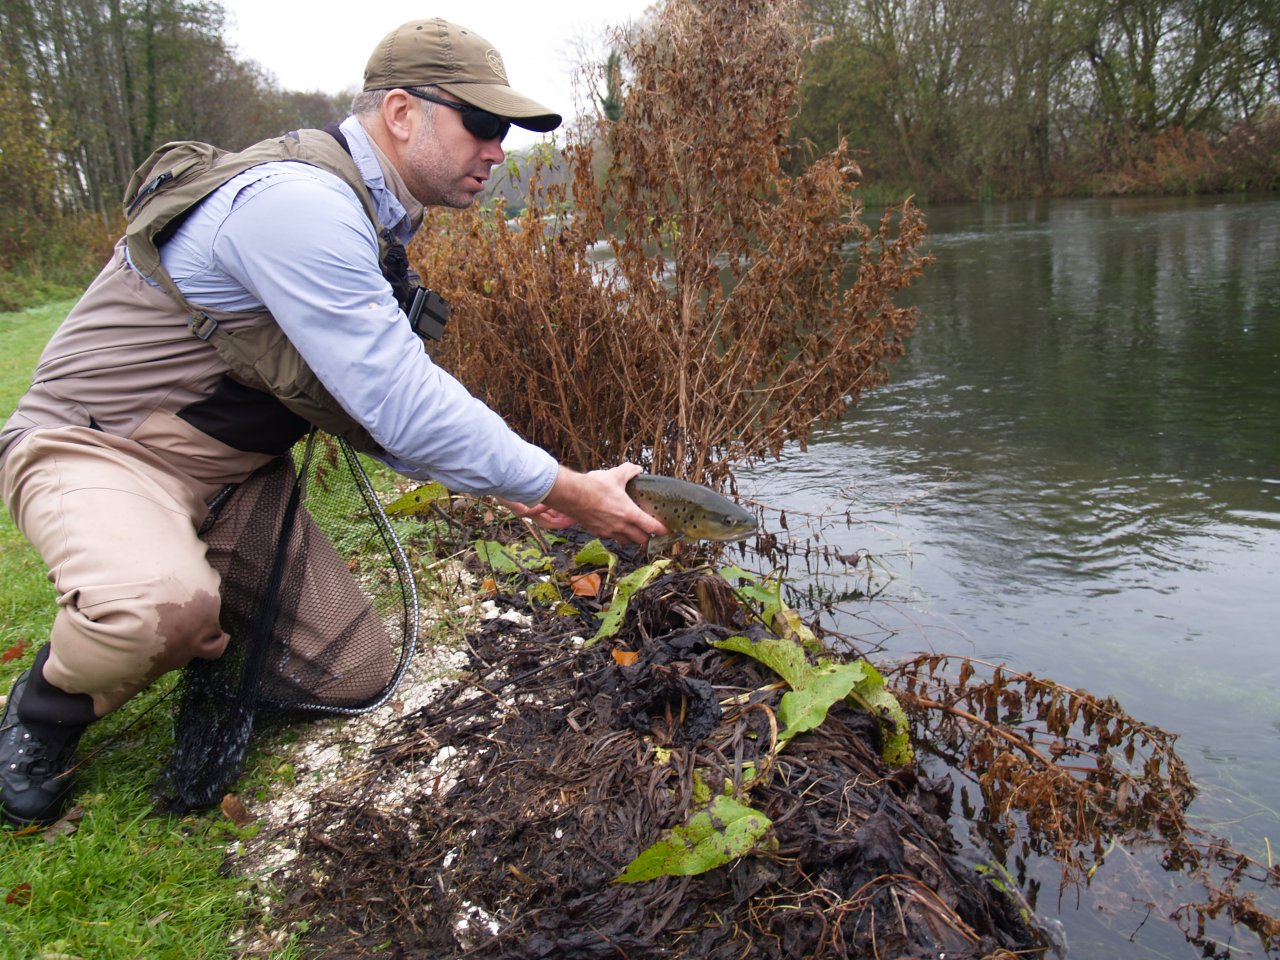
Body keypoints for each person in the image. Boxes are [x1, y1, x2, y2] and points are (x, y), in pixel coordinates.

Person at [0, 17, 666, 827]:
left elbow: (377, 402)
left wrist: (522, 488)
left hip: (232, 480)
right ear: (399, 112)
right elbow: (399, 400)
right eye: (483, 125)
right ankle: (45, 709)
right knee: (154, 612)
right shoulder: (298, 205)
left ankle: (201, 620)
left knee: (349, 671)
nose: (498, 150)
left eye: (507, 132)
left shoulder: (378, 214)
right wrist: (566, 486)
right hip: (97, 449)